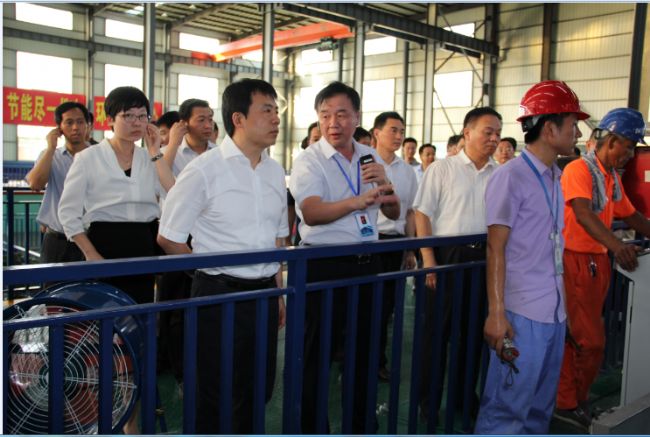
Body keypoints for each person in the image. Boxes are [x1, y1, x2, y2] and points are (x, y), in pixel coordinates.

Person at [157, 79, 287, 434]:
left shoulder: (275, 171)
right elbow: (169, 237)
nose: (276, 118)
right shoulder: (204, 169)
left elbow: (277, 237)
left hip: (264, 294)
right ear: (238, 118)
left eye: (276, 110)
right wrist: (209, 272)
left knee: (257, 388)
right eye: (266, 110)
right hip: (218, 295)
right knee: (214, 391)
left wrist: (277, 291)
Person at [475, 80, 588, 434]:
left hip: (551, 313)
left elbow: (552, 248)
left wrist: (563, 311)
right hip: (521, 314)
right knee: (507, 411)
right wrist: (497, 314)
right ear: (549, 129)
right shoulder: (511, 177)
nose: (578, 132)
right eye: (573, 124)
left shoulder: (556, 177)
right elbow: (496, 247)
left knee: (540, 409)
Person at [289, 81, 399, 433]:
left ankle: (361, 424)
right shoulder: (309, 160)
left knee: (365, 352)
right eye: (325, 116)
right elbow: (311, 213)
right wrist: (357, 201)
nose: (333, 123)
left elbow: (394, 213)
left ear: (357, 117)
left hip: (367, 262)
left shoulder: (370, 156)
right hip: (324, 264)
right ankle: (312, 428)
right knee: (316, 356)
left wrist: (385, 184)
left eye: (341, 114)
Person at [554, 108, 650, 430]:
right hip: (576, 262)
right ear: (612, 140)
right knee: (586, 340)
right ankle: (567, 402)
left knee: (585, 337)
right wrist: (617, 246)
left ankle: (573, 400)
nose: (631, 154)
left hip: (597, 264)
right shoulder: (579, 170)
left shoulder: (609, 178)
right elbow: (583, 213)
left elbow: (632, 215)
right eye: (629, 146)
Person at [414, 107, 501, 423]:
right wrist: (428, 260)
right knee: (436, 334)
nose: (494, 139)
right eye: (488, 132)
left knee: (472, 335)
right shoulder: (442, 168)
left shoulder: (499, 174)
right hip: (447, 256)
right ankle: (428, 403)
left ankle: (464, 400)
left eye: (498, 133)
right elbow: (422, 213)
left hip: (482, 258)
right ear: (467, 133)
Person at [58, 86, 174, 304]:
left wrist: (155, 151)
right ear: (110, 120)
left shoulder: (149, 158)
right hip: (104, 242)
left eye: (142, 116)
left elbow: (173, 191)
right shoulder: (88, 158)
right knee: (103, 311)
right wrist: (90, 254)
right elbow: (68, 213)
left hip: (143, 242)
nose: (137, 123)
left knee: (139, 309)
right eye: (128, 116)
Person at [371, 111, 418, 382]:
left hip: (394, 243)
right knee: (363, 306)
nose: (399, 136)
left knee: (386, 307)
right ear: (377, 133)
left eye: (402, 131)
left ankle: (377, 361)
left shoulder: (407, 172)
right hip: (368, 242)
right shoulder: (363, 163)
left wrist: (409, 248)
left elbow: (409, 212)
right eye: (393, 130)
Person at [26, 101, 91, 263]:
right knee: (51, 280)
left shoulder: (99, 155)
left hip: (91, 237)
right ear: (59, 128)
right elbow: (35, 184)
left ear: (87, 125)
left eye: (80, 122)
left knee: (93, 280)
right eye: (69, 122)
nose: (75, 127)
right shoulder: (51, 156)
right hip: (57, 238)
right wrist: (50, 148)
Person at [162, 99, 216, 176]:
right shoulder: (168, 153)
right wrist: (173, 144)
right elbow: (160, 177)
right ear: (184, 123)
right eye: (201, 120)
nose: (208, 126)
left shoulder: (219, 152)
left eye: (210, 119)